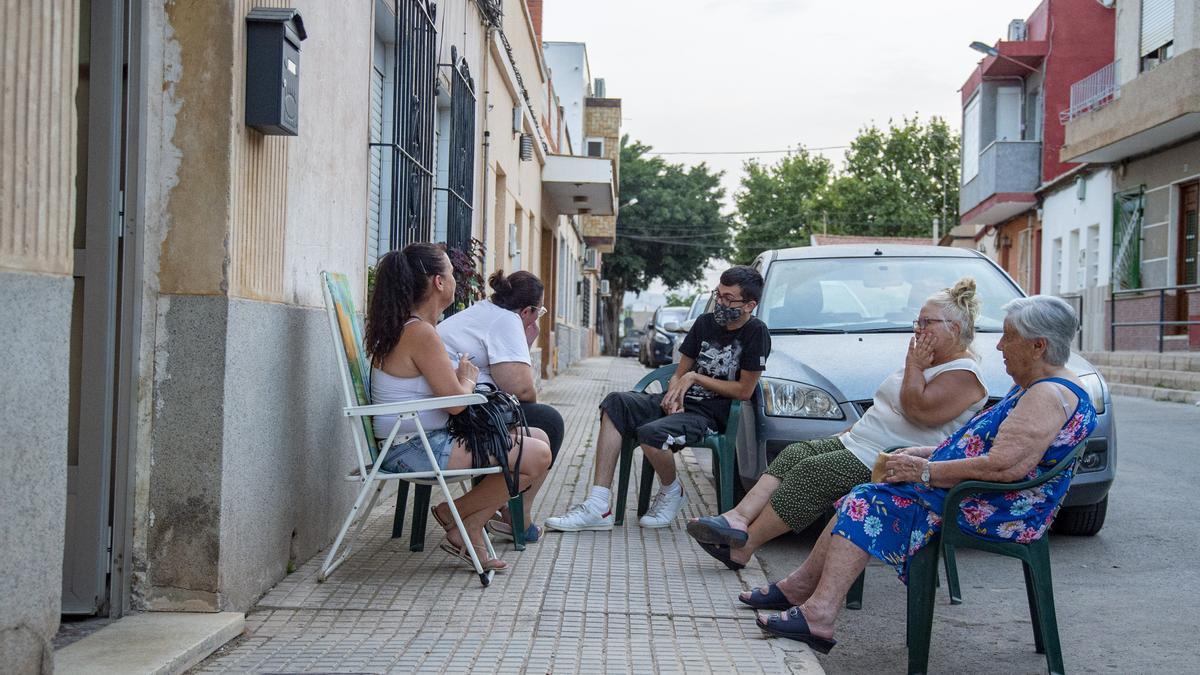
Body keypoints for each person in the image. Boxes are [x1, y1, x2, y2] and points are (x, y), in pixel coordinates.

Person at [745, 295, 1096, 654]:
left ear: (1038, 346)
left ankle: (818, 612)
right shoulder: (1038, 385)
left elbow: (1005, 467)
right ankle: (802, 589)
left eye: (1008, 337)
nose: (1000, 345)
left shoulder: (1047, 395)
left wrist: (927, 471)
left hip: (995, 507)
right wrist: (926, 454)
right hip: (980, 492)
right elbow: (986, 450)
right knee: (870, 489)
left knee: (867, 501)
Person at [686, 278, 989, 570]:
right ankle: (737, 518)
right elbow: (887, 409)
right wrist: (849, 431)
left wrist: (914, 366)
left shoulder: (963, 374)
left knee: (812, 472)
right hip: (861, 441)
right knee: (795, 453)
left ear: (955, 329)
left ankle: (743, 548)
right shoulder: (930, 361)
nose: (918, 330)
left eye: (927, 323)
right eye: (917, 322)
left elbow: (917, 411)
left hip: (891, 458)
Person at [365, 244, 552, 572]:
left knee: (537, 436)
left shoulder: (413, 327)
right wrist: (466, 379)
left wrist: (462, 382)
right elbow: (455, 405)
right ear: (439, 282)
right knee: (536, 455)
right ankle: (456, 516)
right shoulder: (421, 333)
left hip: (417, 440)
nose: (454, 279)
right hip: (413, 448)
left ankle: (467, 522)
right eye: (451, 273)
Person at [545, 266, 772, 531]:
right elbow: (680, 373)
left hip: (709, 415)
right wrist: (675, 394)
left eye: (728, 299)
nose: (720, 303)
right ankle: (598, 506)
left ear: (750, 305)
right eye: (718, 295)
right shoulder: (704, 323)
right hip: (681, 405)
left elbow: (744, 390)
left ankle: (672, 491)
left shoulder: (757, 333)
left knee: (650, 434)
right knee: (615, 402)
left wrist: (695, 379)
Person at [437, 269, 562, 543]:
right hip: (454, 409)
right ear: (528, 310)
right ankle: (518, 515)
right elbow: (521, 389)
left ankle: (486, 511)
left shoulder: (487, 310)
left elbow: (509, 380)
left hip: (453, 403)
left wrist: (524, 345)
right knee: (548, 423)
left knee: (537, 426)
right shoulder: (506, 320)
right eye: (539, 312)